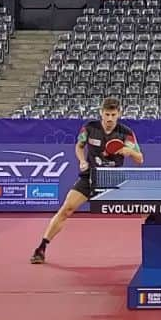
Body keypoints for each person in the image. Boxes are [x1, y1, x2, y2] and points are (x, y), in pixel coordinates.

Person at [30, 97, 143, 263]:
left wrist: (130, 152)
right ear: (101, 113)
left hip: (114, 180)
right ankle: (41, 248)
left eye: (113, 114)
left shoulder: (126, 133)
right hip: (90, 177)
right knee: (66, 209)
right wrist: (82, 160)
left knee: (145, 210)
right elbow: (79, 146)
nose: (110, 118)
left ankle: (158, 250)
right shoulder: (90, 127)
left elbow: (140, 159)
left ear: (119, 113)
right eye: (107, 114)